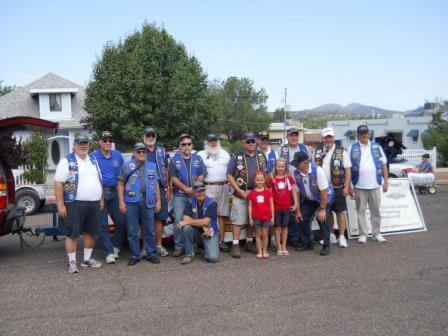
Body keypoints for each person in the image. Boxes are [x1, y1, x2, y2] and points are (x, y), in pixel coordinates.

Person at [54, 135, 104, 273]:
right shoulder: (66, 161)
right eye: (80, 144)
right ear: (74, 146)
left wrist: (101, 198)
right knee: (72, 234)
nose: (84, 146)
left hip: (93, 203)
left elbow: (98, 180)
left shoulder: (93, 160)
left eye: (86, 143)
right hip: (73, 203)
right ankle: (71, 262)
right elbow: (59, 183)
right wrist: (60, 204)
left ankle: (87, 260)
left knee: (91, 233)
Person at [118, 142, 161, 266]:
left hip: (148, 201)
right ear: (134, 153)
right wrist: (121, 201)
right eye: (139, 152)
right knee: (132, 230)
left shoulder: (152, 166)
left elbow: (156, 185)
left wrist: (158, 201)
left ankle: (151, 254)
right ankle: (135, 255)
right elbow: (120, 184)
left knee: (149, 230)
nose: (142, 154)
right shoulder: (126, 166)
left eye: (144, 152)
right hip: (131, 202)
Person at [227, 132, 268, 258]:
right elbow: (229, 175)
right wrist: (239, 191)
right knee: (238, 220)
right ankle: (235, 245)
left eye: (253, 141)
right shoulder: (236, 156)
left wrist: (261, 190)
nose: (251, 144)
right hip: (241, 194)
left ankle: (249, 243)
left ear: (256, 142)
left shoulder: (261, 155)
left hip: (256, 194)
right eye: (248, 141)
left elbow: (266, 173)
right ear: (243, 142)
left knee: (253, 220)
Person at [348, 125, 388, 244]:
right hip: (359, 185)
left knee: (375, 211)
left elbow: (384, 165)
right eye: (361, 134)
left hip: (375, 184)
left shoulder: (377, 147)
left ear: (369, 134)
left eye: (365, 133)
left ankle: (376, 233)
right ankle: (363, 234)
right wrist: (349, 185)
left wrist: (386, 181)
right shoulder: (352, 147)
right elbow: (348, 167)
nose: (364, 135)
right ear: (358, 135)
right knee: (360, 211)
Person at [169, 134, 207, 257]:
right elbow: (173, 178)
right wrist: (186, 189)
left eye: (189, 144)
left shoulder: (198, 159)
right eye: (184, 144)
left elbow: (202, 175)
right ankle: (179, 247)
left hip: (195, 195)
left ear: (192, 145)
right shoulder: (174, 160)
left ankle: (193, 246)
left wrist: (193, 188)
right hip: (180, 195)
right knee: (179, 219)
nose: (186, 146)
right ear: (180, 146)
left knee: (194, 219)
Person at [313, 127, 351, 248]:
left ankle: (341, 236)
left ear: (333, 138)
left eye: (330, 137)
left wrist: (346, 186)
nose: (328, 139)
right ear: (323, 138)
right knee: (327, 213)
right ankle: (330, 235)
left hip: (338, 187)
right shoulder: (317, 150)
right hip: (324, 189)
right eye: (326, 137)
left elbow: (348, 169)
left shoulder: (341, 150)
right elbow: (313, 168)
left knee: (340, 212)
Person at [92, 131, 126, 264]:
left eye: (109, 140)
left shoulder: (117, 155)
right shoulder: (93, 157)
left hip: (115, 192)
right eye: (104, 140)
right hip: (100, 194)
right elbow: (93, 179)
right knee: (103, 226)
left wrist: (122, 200)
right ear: (99, 142)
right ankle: (109, 252)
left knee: (122, 221)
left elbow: (121, 179)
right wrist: (100, 197)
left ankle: (116, 246)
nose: (107, 143)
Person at [291, 151, 334, 256]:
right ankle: (307, 243)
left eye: (297, 163)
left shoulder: (317, 170)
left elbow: (324, 191)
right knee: (301, 217)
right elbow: (296, 190)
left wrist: (322, 209)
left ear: (305, 163)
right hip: (309, 199)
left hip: (323, 198)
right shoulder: (296, 172)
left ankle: (326, 245)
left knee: (322, 218)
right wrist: (298, 210)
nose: (295, 166)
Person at [197, 134, 231, 252]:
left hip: (223, 186)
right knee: (208, 215)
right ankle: (208, 239)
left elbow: (231, 171)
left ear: (218, 141)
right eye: (210, 141)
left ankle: (221, 241)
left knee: (222, 215)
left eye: (215, 140)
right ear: (206, 142)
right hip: (208, 187)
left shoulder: (225, 154)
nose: (213, 143)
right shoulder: (200, 154)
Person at [278, 127, 311, 248]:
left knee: (305, 211)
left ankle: (306, 236)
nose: (294, 137)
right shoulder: (282, 149)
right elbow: (279, 166)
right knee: (291, 211)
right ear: (287, 137)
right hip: (289, 185)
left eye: (296, 135)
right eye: (291, 135)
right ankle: (294, 237)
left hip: (304, 183)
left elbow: (310, 164)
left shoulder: (305, 148)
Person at [143, 128, 171, 257]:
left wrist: (168, 188)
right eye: (148, 136)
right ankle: (146, 246)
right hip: (145, 189)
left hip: (160, 187)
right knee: (146, 219)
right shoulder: (140, 150)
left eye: (152, 135)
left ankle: (159, 246)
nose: (150, 138)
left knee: (159, 219)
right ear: (143, 137)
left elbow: (166, 171)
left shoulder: (162, 151)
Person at [176, 182, 220, 265]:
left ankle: (204, 249)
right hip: (199, 229)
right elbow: (186, 218)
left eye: (203, 190)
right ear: (194, 193)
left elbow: (206, 222)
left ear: (205, 191)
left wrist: (190, 222)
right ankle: (189, 255)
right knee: (186, 228)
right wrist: (202, 225)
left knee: (213, 258)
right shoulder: (190, 201)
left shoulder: (212, 202)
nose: (201, 193)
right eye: (198, 191)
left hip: (209, 230)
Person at [267, 158, 299, 256]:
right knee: (277, 227)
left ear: (285, 167)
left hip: (286, 207)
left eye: (282, 166)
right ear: (275, 167)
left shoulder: (288, 178)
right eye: (278, 166)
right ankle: (279, 247)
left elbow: (293, 191)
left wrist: (296, 203)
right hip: (276, 207)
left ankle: (284, 246)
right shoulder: (271, 178)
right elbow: (269, 193)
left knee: (285, 227)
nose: (280, 168)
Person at [247, 171, 274, 259]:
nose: (259, 182)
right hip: (256, 217)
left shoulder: (268, 192)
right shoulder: (251, 193)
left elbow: (271, 205)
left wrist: (272, 217)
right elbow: (250, 206)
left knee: (265, 234)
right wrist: (250, 218)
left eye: (261, 180)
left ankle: (265, 250)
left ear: (264, 180)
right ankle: (259, 250)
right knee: (258, 234)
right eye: (257, 180)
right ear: (254, 180)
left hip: (266, 217)